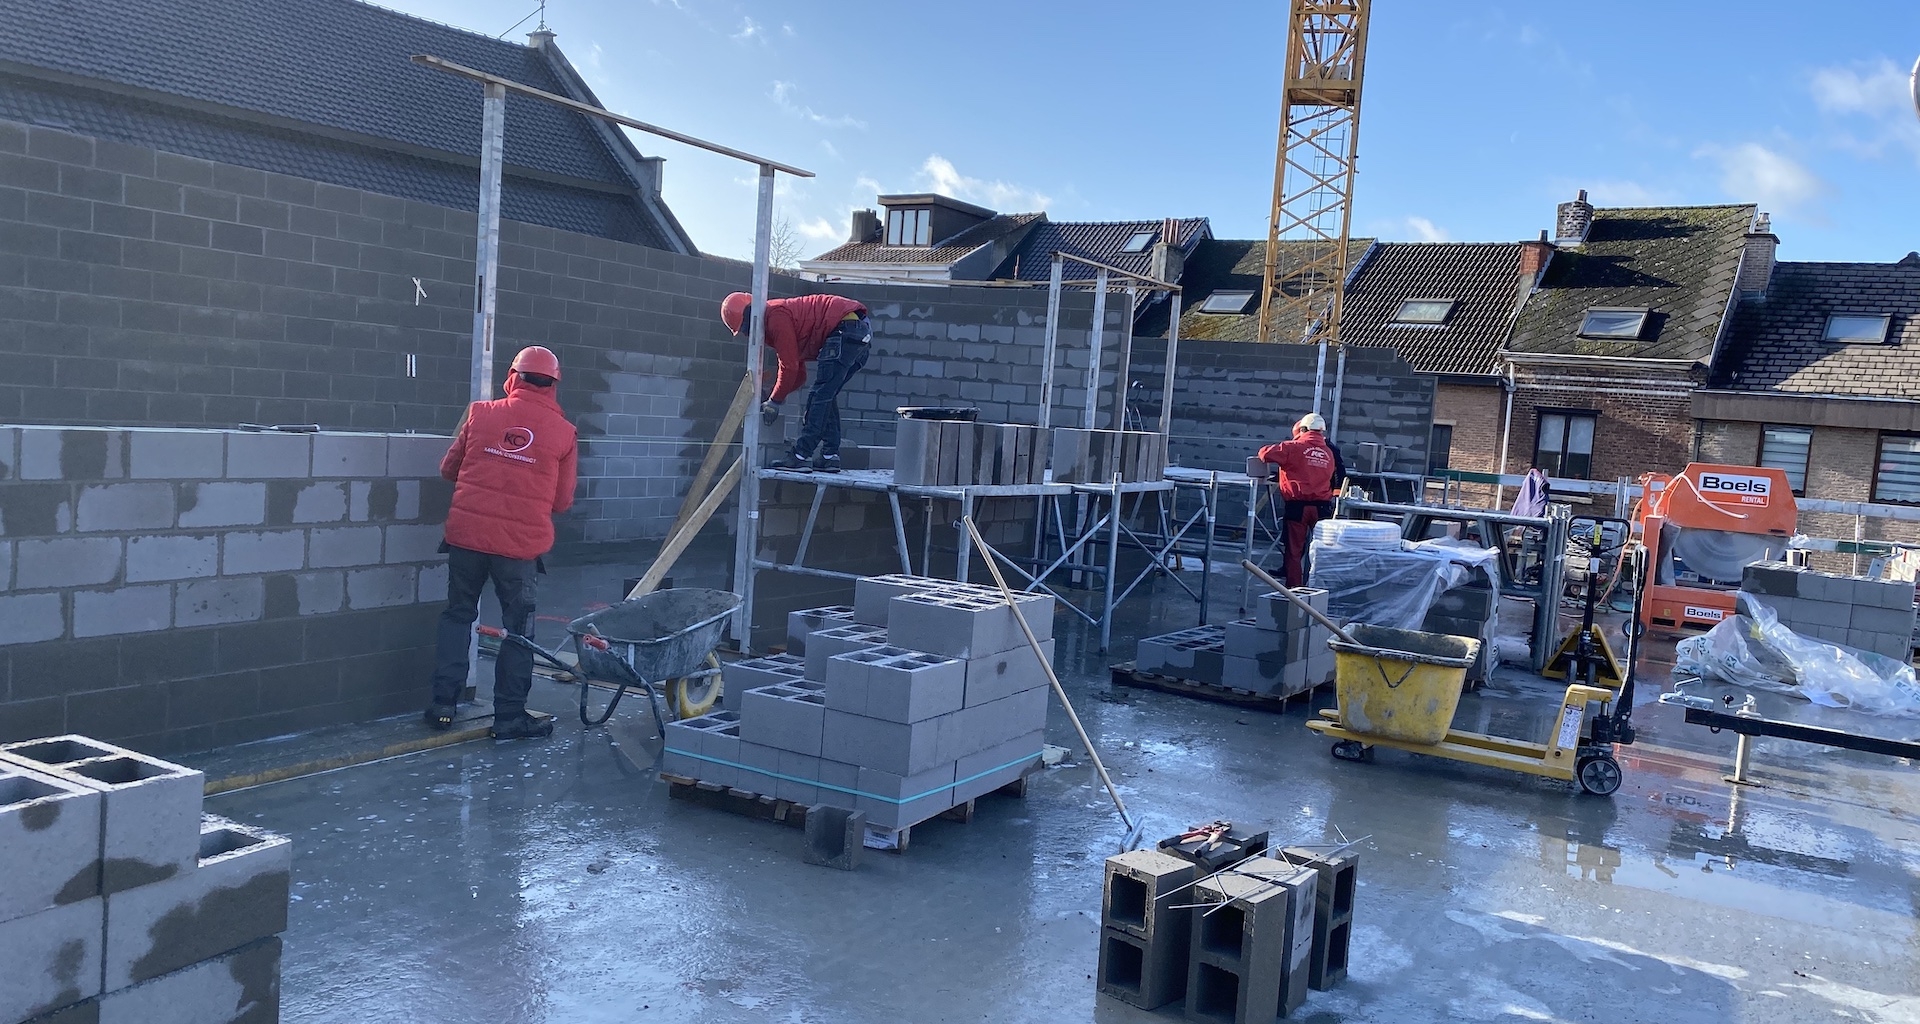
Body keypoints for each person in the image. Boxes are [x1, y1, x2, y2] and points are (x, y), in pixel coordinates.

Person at [425, 345, 578, 740]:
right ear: (553, 386)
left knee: (459, 615)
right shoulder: (564, 434)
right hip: (519, 549)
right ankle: (509, 717)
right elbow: (562, 502)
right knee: (518, 631)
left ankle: (444, 704)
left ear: (513, 377)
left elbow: (448, 470)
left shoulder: (481, 414)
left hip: (467, 539)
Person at [720, 291, 871, 472]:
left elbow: (789, 367)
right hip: (858, 331)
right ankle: (829, 456)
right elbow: (799, 376)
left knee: (819, 395)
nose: (748, 334)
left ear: (751, 316)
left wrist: (775, 401)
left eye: (746, 328)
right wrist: (774, 397)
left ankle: (801, 455)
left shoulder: (775, 316)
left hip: (844, 328)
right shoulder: (777, 316)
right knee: (826, 394)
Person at [1258, 412, 1346, 588]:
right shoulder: (1329, 452)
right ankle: (1320, 589)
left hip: (1297, 507)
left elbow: (1264, 454)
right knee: (1323, 551)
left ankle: (1295, 593)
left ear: (1303, 429)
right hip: (1322, 508)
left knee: (1294, 552)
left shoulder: (1293, 447)